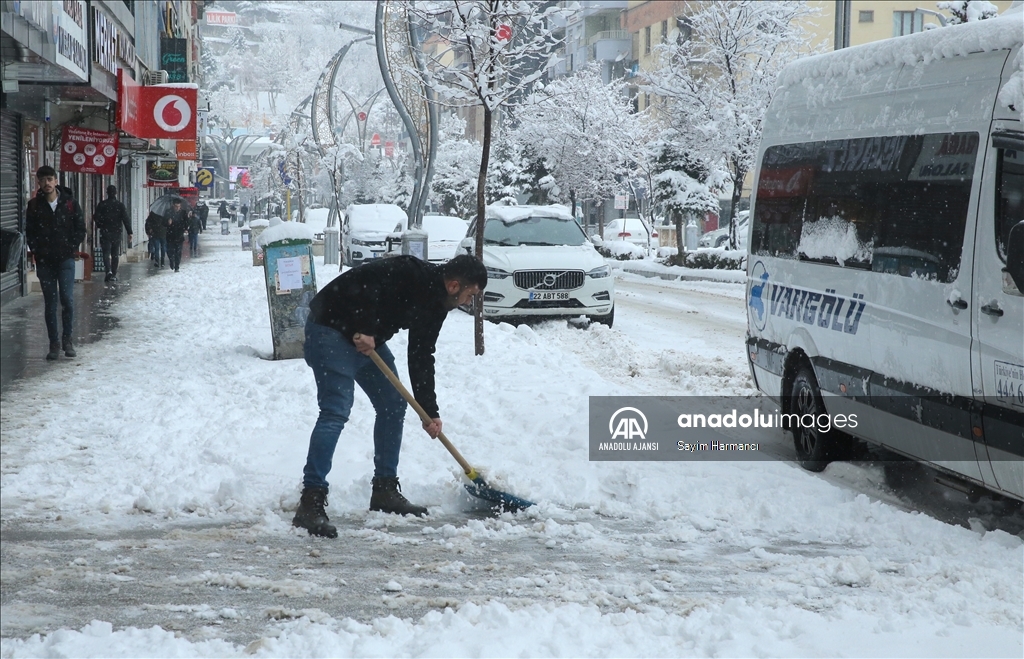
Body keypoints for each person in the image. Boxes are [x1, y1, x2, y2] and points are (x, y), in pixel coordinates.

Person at [292, 254, 487, 537]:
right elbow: (366, 286)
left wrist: (429, 410)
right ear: (455, 286)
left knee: (393, 404)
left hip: (366, 342)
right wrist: (367, 328)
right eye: (471, 294)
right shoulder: (409, 271)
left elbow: (421, 355)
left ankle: (384, 491)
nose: (470, 302)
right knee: (336, 409)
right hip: (330, 329)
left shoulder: (437, 306)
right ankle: (311, 501)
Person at [24, 166, 85, 360]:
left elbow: (80, 228)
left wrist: (70, 246)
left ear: (56, 180)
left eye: (50, 179)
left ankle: (68, 340)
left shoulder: (70, 203)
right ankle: (54, 343)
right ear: (39, 183)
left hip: (65, 259)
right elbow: (30, 232)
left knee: (66, 298)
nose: (47, 183)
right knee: (50, 302)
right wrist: (37, 249)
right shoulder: (34, 205)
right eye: (43, 180)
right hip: (45, 262)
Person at [93, 185, 133, 282]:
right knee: (115, 254)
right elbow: (126, 219)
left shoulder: (102, 204)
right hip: (116, 232)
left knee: (106, 253)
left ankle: (108, 272)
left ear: (107, 193)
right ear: (115, 193)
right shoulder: (120, 205)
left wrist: (101, 225)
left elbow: (96, 217)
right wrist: (130, 232)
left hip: (105, 232)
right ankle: (114, 274)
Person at [164, 199, 189, 272]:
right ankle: (171, 262)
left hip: (179, 235)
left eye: (178, 206)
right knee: (170, 251)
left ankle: (177, 266)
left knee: (178, 252)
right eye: (176, 206)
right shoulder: (168, 212)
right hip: (170, 235)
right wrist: (168, 222)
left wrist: (185, 228)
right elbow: (163, 223)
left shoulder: (183, 213)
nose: (177, 208)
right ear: (173, 206)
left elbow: (186, 222)